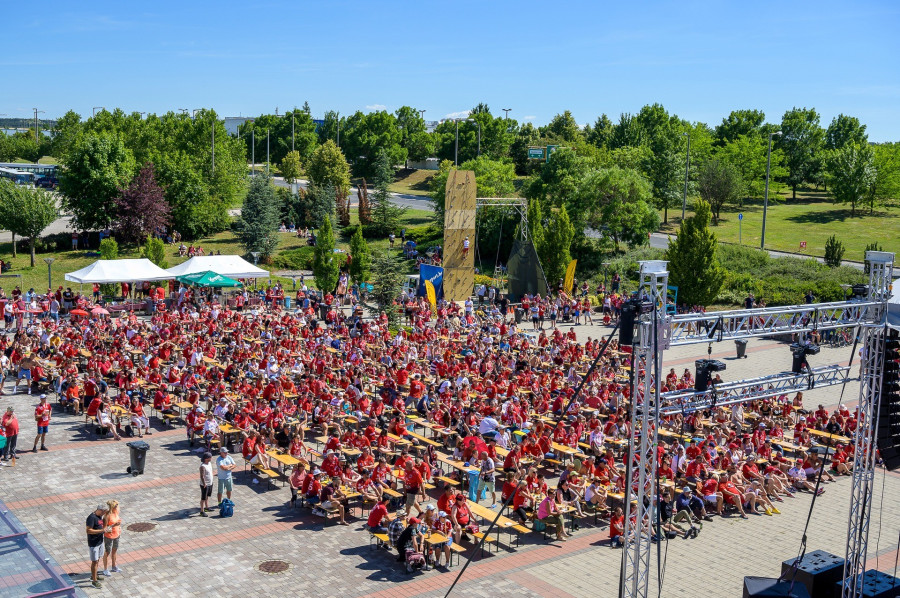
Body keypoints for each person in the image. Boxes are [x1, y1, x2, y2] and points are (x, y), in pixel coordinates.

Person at [86, 504, 108, 589]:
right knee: (94, 561)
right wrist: (101, 530)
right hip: (93, 544)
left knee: (98, 559)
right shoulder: (91, 518)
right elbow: (88, 530)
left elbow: (101, 525)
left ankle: (94, 575)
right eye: (103, 512)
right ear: (100, 510)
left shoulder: (99, 516)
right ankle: (94, 581)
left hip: (100, 541)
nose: (103, 514)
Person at [102, 500, 122, 577]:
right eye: (115, 506)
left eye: (117, 506)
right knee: (107, 552)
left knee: (114, 550)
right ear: (111, 507)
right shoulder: (107, 516)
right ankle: (105, 569)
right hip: (109, 536)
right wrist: (114, 525)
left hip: (117, 534)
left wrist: (118, 525)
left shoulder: (116, 512)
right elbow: (105, 528)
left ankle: (114, 566)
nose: (117, 507)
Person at [199, 452, 214, 516]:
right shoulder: (203, 466)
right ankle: (202, 511)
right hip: (205, 484)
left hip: (210, 483)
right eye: (210, 457)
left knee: (207, 496)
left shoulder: (209, 463)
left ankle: (206, 507)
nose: (211, 458)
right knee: (203, 498)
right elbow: (201, 476)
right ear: (207, 458)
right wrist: (204, 483)